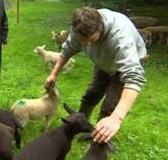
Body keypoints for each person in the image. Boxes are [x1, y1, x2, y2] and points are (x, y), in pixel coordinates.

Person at [45, 7, 147, 144]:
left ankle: (99, 141)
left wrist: (116, 118)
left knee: (109, 107)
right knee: (92, 93)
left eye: (92, 40)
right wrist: (53, 73)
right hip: (103, 62)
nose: (88, 45)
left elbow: (134, 77)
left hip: (123, 66)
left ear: (100, 28)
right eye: (83, 42)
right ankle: (80, 125)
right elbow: (68, 49)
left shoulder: (121, 38)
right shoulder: (80, 28)